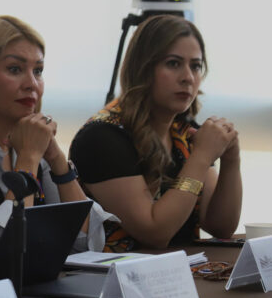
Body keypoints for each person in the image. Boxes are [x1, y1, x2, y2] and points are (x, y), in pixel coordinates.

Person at [0, 15, 112, 263]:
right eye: (15, 69)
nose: (32, 84)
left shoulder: (32, 146)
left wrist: (57, 160)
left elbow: (88, 244)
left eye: (38, 71)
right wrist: (27, 161)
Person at [70, 15, 242, 251]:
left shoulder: (183, 129)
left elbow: (221, 227)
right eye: (173, 63)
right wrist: (202, 157)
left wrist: (231, 160)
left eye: (195, 66)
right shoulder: (102, 137)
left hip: (178, 275)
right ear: (143, 68)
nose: (188, 78)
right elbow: (155, 233)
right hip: (111, 281)